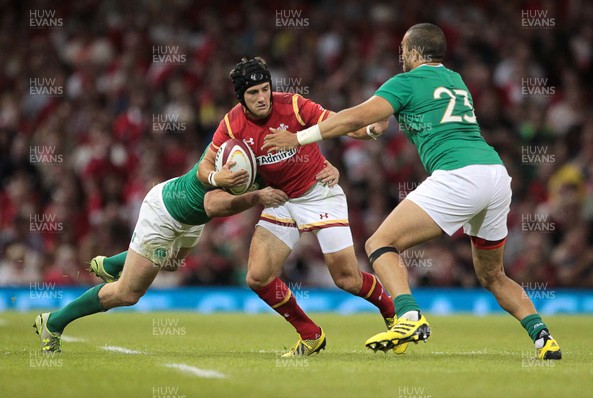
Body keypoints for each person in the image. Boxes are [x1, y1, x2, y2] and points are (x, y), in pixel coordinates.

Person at [262, 23, 561, 360]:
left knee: (379, 243)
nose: (399, 54)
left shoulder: (405, 82)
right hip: (494, 175)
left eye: (403, 47)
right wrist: (380, 126)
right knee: (493, 275)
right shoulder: (455, 80)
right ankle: (543, 338)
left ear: (416, 52)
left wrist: (298, 138)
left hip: (458, 175)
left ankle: (407, 316)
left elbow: (350, 118)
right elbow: (412, 118)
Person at [33, 145, 339, 352]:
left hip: (190, 219)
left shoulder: (252, 149)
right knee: (128, 294)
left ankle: (112, 264)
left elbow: (299, 146)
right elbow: (215, 206)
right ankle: (53, 322)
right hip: (165, 212)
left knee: (171, 262)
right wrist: (257, 197)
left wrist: (325, 166)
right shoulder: (228, 170)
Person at [198, 57, 396, 357]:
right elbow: (205, 165)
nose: (262, 97)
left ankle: (393, 312)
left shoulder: (292, 105)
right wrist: (216, 176)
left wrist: (369, 131)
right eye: (253, 93)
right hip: (281, 201)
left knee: (346, 279)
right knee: (257, 276)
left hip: (319, 193)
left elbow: (337, 123)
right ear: (241, 97)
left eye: (265, 89)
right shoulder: (231, 123)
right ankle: (311, 334)